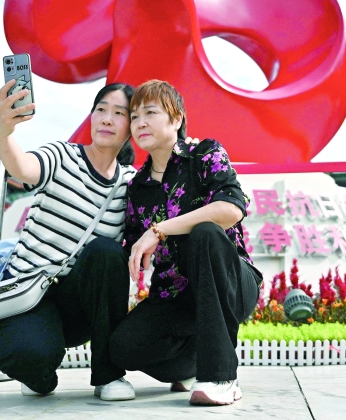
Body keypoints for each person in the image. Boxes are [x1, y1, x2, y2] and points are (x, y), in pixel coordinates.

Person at [109, 80, 262, 407]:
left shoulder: (204, 154)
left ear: (176, 118)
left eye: (150, 112)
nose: (141, 123)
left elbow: (232, 208)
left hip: (230, 283)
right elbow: (134, 246)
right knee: (123, 346)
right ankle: (194, 364)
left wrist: (160, 229)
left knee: (204, 232)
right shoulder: (138, 187)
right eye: (135, 117)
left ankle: (221, 374)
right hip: (178, 297)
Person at [0, 81, 138, 401]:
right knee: (33, 359)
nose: (107, 119)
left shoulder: (129, 184)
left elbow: (163, 203)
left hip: (78, 306)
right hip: (26, 295)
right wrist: (4, 132)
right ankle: (36, 368)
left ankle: (108, 375)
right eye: (101, 110)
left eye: (119, 113)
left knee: (107, 251)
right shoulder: (62, 155)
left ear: (132, 126)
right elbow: (23, 167)